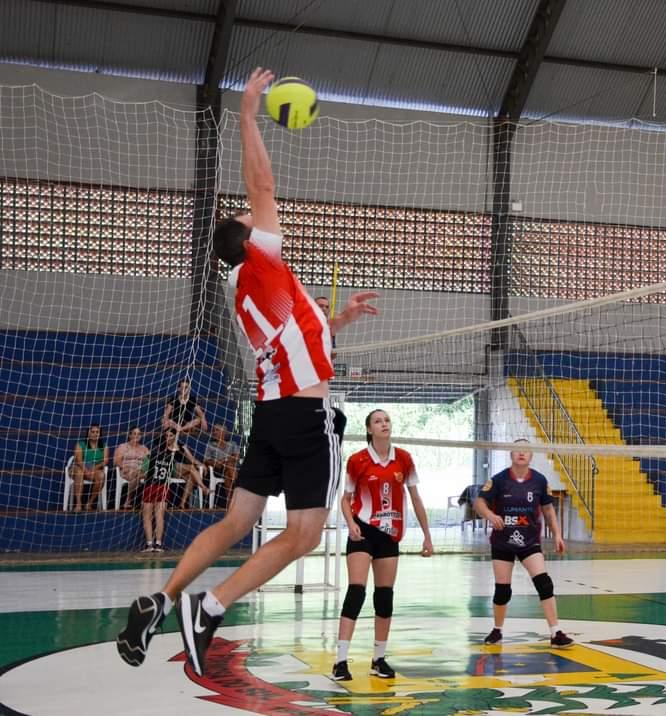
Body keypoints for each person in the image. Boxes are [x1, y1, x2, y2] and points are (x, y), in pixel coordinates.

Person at [116, 67, 379, 676]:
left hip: (270, 412)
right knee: (308, 534)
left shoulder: (248, 288)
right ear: (247, 237)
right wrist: (247, 114)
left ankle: (162, 597)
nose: (258, 215)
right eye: (250, 218)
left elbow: (301, 336)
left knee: (237, 520)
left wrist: (338, 320)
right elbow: (262, 182)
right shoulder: (262, 258)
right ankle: (210, 606)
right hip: (305, 416)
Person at [331, 409, 434, 681]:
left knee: (384, 596)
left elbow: (415, 497)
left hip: (390, 534)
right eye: (378, 421)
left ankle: (379, 659)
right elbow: (346, 499)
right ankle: (340, 661)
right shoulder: (357, 460)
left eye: (386, 420)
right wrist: (350, 522)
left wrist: (427, 535)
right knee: (356, 591)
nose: (384, 424)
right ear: (369, 429)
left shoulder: (404, 459)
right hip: (362, 531)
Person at [472, 441, 573, 649]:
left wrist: (557, 535)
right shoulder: (499, 480)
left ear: (531, 456)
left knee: (544, 583)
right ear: (511, 454)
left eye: (526, 450)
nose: (522, 453)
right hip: (503, 541)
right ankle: (497, 630)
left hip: (529, 541)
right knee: (503, 591)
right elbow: (479, 503)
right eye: (518, 450)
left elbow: (548, 510)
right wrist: (490, 515)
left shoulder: (538, 480)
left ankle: (556, 633)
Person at [140, 429, 185, 552]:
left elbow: (143, 472)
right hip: (163, 487)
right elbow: (174, 473)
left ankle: (149, 544)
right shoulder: (170, 458)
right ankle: (158, 544)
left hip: (150, 486)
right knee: (160, 516)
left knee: (147, 517)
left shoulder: (150, 455)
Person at [71, 423, 108, 512]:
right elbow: (78, 460)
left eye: (97, 432)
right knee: (79, 472)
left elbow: (105, 461)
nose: (95, 434)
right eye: (93, 432)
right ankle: (78, 504)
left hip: (95, 468)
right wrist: (86, 470)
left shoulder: (104, 446)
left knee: (101, 476)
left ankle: (89, 503)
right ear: (88, 433)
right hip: (78, 467)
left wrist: (94, 468)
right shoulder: (80, 444)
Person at [202, 424, 240, 508]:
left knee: (228, 473)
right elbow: (206, 460)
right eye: (214, 430)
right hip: (218, 469)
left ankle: (229, 503)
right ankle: (237, 487)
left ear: (224, 432)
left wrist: (223, 460)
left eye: (217, 430)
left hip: (229, 469)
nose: (214, 432)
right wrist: (221, 462)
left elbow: (237, 457)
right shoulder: (211, 445)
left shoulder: (232, 444)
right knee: (230, 466)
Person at [113, 425, 150, 509]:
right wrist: (123, 467)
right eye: (134, 434)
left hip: (141, 472)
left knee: (137, 473)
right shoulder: (122, 447)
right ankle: (134, 499)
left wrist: (143, 468)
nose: (137, 436)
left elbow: (149, 460)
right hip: (126, 470)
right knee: (135, 473)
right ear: (130, 435)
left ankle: (129, 499)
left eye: (139, 434)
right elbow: (116, 461)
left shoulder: (144, 448)